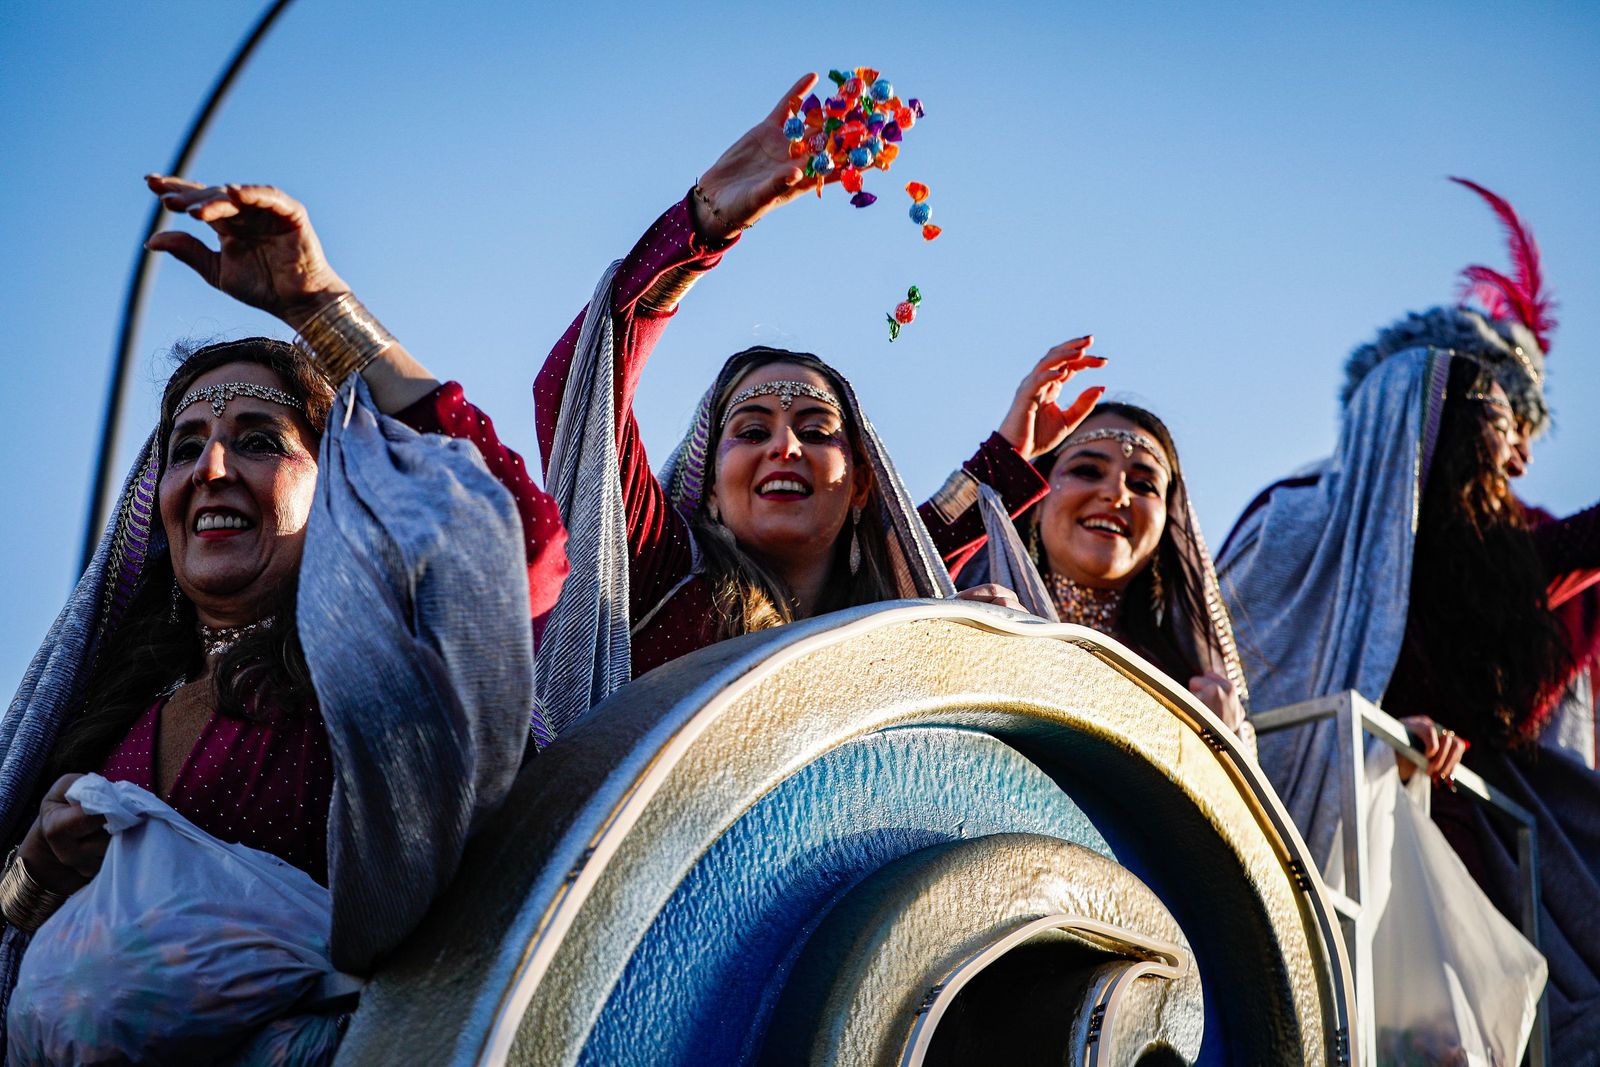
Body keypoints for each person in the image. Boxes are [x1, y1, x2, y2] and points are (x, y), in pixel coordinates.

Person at [0, 176, 568, 1059]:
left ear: (338, 484)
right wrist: (32, 872)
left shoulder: (372, 682)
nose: (212, 468)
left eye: (261, 440)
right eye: (186, 449)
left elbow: (511, 549)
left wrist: (319, 305)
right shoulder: (111, 719)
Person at [1217, 178, 1600, 1057]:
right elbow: (1239, 658)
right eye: (1501, 421)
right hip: (1318, 836)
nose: (1521, 452)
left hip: (1464, 851)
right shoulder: (1297, 519)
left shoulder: (1505, 555)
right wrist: (1375, 735)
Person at [532, 75, 1028, 733]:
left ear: (860, 486)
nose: (783, 445)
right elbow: (575, 394)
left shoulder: (894, 629)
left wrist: (949, 631)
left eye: (816, 428)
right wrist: (699, 226)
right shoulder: (664, 569)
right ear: (707, 487)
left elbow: (923, 539)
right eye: (751, 428)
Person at [933, 344, 1253, 746]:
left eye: (1143, 484)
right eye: (1087, 470)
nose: (1117, 495)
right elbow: (886, 569)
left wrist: (1219, 749)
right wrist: (1003, 459)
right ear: (1037, 500)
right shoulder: (981, 617)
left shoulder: (1187, 695)